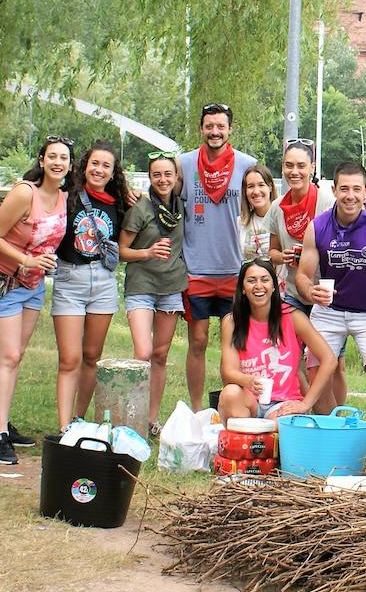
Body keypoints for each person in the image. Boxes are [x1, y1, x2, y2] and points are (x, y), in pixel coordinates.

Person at [0, 136, 70, 465]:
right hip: (0, 281)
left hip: (32, 286)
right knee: (9, 354)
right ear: (42, 161)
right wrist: (27, 261)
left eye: (64, 158)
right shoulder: (24, 193)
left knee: (16, 356)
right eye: (52, 157)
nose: (58, 162)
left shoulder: (63, 197)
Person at [295, 161, 366, 432]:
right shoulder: (317, 226)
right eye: (344, 189)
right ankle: (335, 435)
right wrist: (310, 291)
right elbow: (303, 276)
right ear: (333, 190)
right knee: (317, 371)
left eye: (356, 189)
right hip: (329, 310)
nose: (350, 195)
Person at [179, 103, 258, 411]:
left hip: (234, 271)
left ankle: (231, 408)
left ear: (230, 129)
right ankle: (198, 410)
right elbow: (163, 197)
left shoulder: (247, 165)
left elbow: (263, 208)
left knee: (235, 347)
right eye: (209, 126)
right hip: (197, 270)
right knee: (197, 342)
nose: (215, 132)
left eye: (220, 126)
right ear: (202, 128)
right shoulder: (185, 164)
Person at [52, 140, 129, 429]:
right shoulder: (67, 196)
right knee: (69, 358)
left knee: (92, 356)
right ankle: (63, 428)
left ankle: (78, 420)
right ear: (84, 166)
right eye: (94, 163)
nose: (99, 169)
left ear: (113, 173)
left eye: (106, 166)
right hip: (70, 279)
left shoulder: (118, 203)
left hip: (104, 281)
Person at [119, 151, 189, 436]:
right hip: (141, 286)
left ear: (176, 178)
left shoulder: (181, 206)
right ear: (149, 178)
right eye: (156, 174)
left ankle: (150, 419)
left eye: (168, 174)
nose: (163, 179)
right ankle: (132, 415)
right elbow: (122, 251)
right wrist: (147, 252)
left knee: (160, 354)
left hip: (171, 288)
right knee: (143, 352)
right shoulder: (141, 207)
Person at [217, 259, 338, 419]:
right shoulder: (232, 321)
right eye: (251, 281)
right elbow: (228, 371)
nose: (258, 286)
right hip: (248, 400)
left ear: (274, 286)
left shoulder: (293, 317)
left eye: (265, 280)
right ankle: (246, 438)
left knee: (277, 426)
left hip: (283, 403)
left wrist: (306, 403)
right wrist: (249, 380)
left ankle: (259, 435)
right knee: (229, 394)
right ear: (243, 289)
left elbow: (329, 359)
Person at [267, 140, 334, 313]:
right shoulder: (277, 206)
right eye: (289, 166)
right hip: (292, 293)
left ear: (312, 168)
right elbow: (272, 252)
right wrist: (283, 256)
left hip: (325, 293)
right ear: (282, 167)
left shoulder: (329, 204)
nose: (294, 172)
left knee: (319, 341)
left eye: (301, 166)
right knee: (292, 340)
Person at [240, 164, 276, 263]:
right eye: (251, 186)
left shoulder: (282, 218)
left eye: (261, 185)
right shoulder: (240, 223)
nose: (256, 191)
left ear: (270, 187)